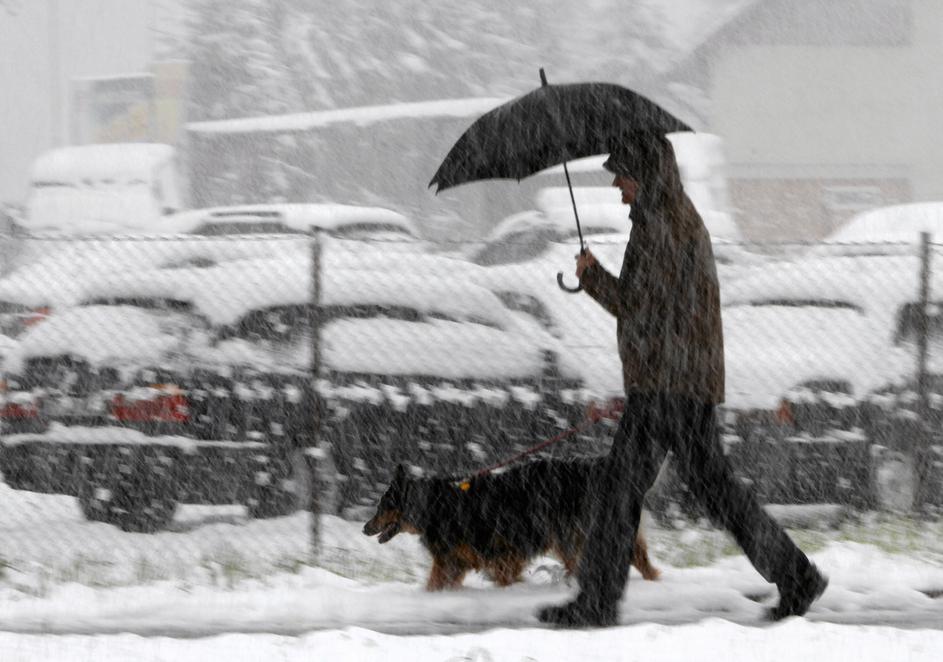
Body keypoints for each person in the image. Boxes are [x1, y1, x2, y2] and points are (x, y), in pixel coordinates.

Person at [537, 132, 828, 628]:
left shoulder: (663, 223)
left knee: (625, 492)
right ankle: (795, 574)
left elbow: (637, 304)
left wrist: (592, 276)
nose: (617, 186)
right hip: (677, 379)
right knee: (698, 490)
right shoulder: (666, 216)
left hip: (668, 383)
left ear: (645, 174)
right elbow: (650, 302)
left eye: (622, 175)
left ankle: (599, 601)